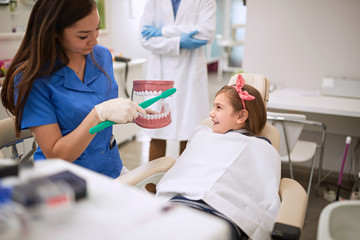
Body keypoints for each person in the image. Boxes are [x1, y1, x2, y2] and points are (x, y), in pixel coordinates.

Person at [0, 0, 146, 178]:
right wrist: (97, 115)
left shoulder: (102, 56)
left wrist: (129, 112)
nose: (94, 40)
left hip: (110, 167)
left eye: (97, 28)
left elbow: (104, 111)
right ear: (54, 32)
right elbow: (56, 154)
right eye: (83, 36)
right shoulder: (32, 79)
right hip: (64, 178)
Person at [155, 74, 281, 240]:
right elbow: (187, 169)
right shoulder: (203, 135)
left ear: (241, 116)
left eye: (219, 108)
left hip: (224, 214)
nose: (211, 113)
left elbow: (261, 192)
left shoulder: (261, 148)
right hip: (181, 203)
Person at [139, 0, 217, 161]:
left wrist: (162, 31)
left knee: (189, 134)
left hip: (190, 71)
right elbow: (144, 37)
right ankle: (151, 186)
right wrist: (179, 42)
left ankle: (183, 184)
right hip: (160, 72)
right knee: (157, 132)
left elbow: (206, 33)